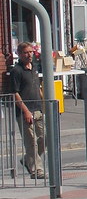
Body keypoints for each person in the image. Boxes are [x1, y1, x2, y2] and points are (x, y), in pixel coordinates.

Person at [10, 42, 46, 179]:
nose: (29, 55)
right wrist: (25, 111)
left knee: (43, 139)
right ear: (19, 54)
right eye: (26, 52)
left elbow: (38, 88)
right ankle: (38, 170)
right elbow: (15, 93)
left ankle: (27, 159)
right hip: (25, 111)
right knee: (31, 142)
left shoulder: (34, 68)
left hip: (38, 109)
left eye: (31, 52)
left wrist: (44, 105)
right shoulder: (16, 71)